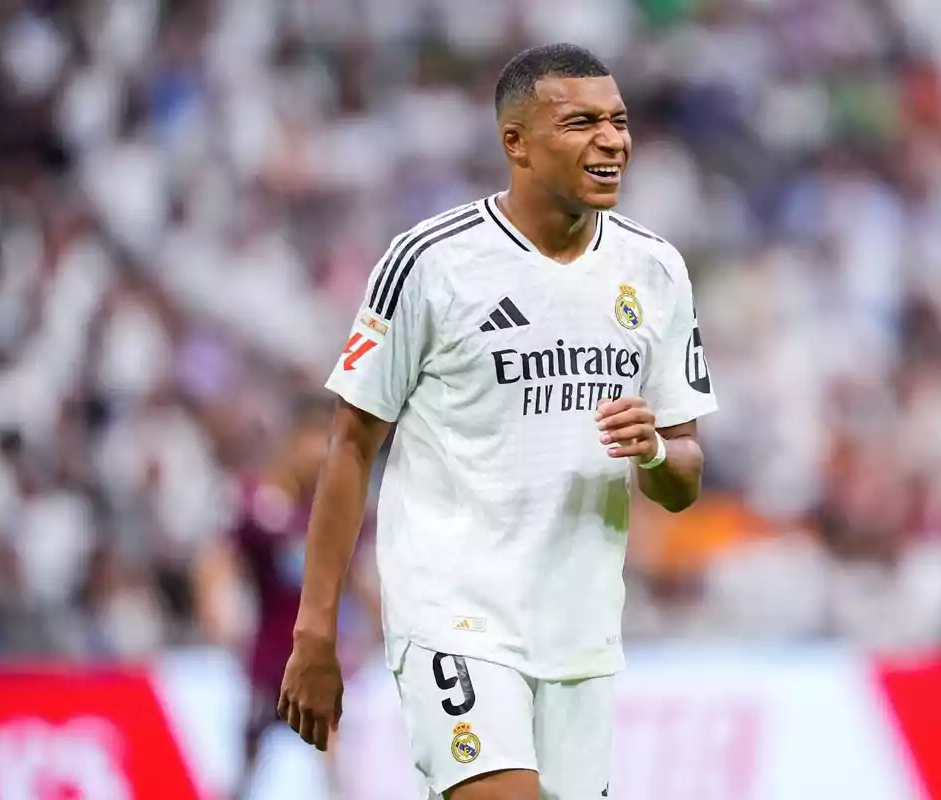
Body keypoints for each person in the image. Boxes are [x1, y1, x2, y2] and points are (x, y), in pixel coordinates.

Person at [278, 43, 716, 799]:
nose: (612, 140)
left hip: (580, 633)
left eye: (618, 120)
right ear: (515, 141)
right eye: (581, 122)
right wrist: (314, 629)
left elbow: (684, 478)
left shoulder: (655, 270)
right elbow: (351, 445)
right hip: (456, 615)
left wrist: (652, 452)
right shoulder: (431, 262)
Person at [195, 397, 378, 800]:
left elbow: (360, 576)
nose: (322, 456)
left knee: (330, 752)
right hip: (268, 658)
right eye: (316, 442)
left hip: (318, 658)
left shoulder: (337, 508)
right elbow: (218, 560)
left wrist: (376, 626)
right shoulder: (257, 502)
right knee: (250, 757)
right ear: (294, 443)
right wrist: (218, 608)